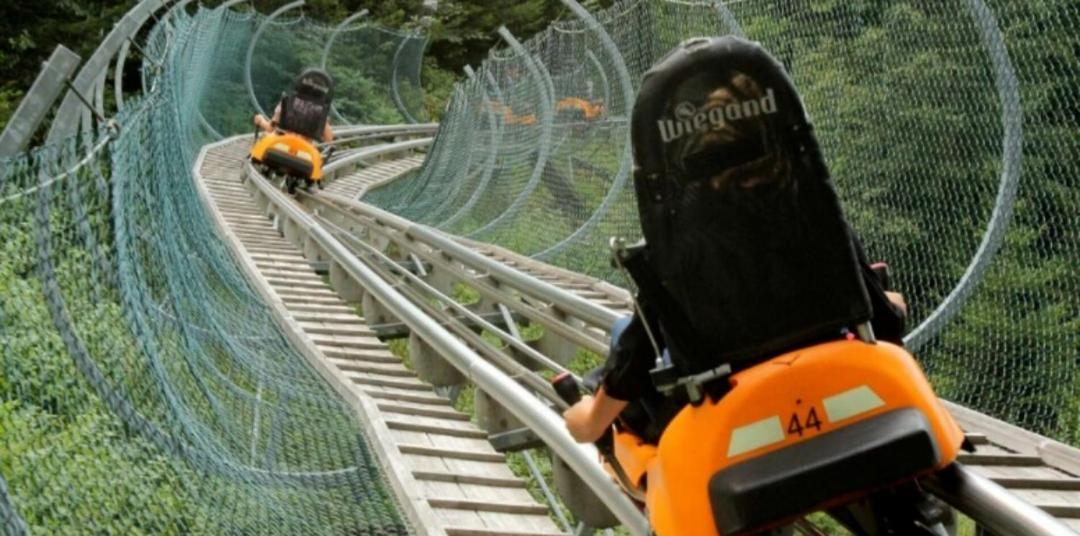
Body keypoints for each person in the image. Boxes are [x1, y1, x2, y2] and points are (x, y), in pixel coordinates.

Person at [563, 37, 909, 445]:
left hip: (736, 407)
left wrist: (588, 421)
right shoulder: (813, 218)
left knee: (625, 332)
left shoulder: (687, 243)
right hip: (830, 374)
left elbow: (638, 357)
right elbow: (886, 317)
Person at [253, 68, 335, 143]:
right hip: (304, 148)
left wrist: (261, 121)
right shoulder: (320, 111)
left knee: (264, 138)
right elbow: (329, 139)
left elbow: (271, 128)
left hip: (281, 142)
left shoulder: (288, 102)